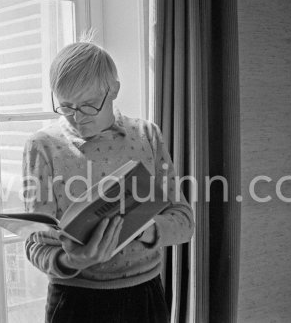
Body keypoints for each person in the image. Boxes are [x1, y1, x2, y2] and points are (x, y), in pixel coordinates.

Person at [22, 40, 194, 323]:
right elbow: (36, 243)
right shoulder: (42, 146)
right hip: (75, 301)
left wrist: (141, 228)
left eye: (89, 105)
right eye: (66, 106)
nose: (77, 118)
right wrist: (72, 261)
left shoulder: (147, 135)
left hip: (145, 297)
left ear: (113, 89)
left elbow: (184, 222)